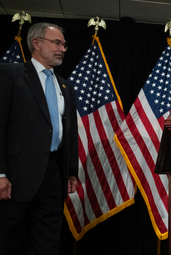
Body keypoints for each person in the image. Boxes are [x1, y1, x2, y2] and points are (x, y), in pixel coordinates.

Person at [0, 22, 78, 255]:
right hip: (15, 176)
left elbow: (70, 131)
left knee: (47, 240)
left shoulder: (66, 85)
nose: (63, 49)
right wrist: (0, 173)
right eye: (57, 43)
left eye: (64, 44)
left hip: (53, 175)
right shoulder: (10, 74)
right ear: (36, 43)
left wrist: (70, 170)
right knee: (7, 239)